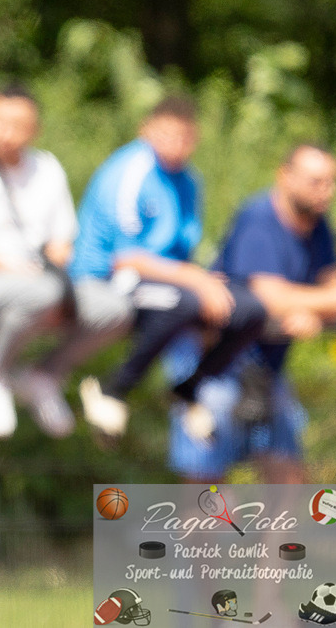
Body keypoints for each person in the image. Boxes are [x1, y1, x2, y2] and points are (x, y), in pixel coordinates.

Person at [70, 96, 266, 441]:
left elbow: (180, 252)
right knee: (186, 302)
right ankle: (114, 388)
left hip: (167, 279)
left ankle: (189, 388)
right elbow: (125, 258)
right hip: (110, 279)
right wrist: (195, 281)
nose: (175, 145)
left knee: (249, 309)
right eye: (167, 135)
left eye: (184, 137)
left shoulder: (189, 181)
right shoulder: (130, 172)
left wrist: (204, 281)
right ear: (146, 130)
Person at [0, 85, 131, 439]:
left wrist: (56, 271)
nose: (4, 131)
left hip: (41, 283)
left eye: (15, 123)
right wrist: (22, 271)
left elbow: (61, 241)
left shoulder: (47, 168)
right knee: (41, 292)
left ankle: (45, 375)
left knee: (116, 309)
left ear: (35, 129)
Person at [167, 143, 336, 482]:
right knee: (207, 491)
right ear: (285, 177)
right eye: (316, 181)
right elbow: (272, 299)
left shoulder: (317, 225)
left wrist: (313, 312)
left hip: (266, 369)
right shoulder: (258, 219)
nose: (327, 190)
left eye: (332, 181)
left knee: (289, 480)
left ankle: (277, 540)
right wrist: (307, 304)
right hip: (214, 362)